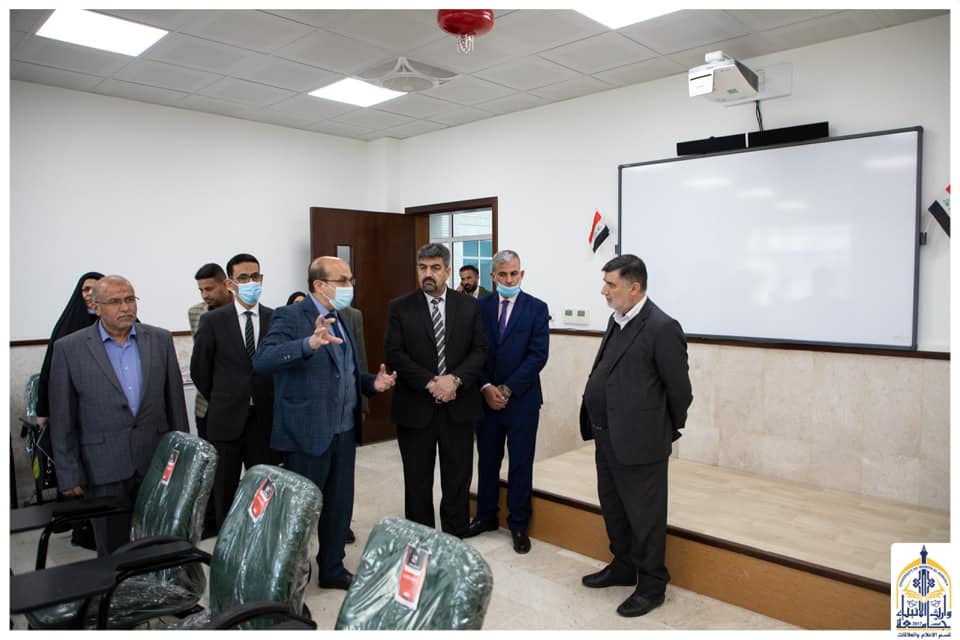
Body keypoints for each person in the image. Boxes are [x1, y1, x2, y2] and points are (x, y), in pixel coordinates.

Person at [253, 256, 396, 590]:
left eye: (350, 280)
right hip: (306, 433)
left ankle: (332, 568)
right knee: (300, 512)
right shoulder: (289, 316)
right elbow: (264, 360)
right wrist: (307, 344)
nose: (349, 286)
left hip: (343, 432)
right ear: (319, 284)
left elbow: (345, 371)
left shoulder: (343, 317)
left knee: (339, 506)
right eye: (342, 280)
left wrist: (371, 383)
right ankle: (289, 578)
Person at [579, 254, 693, 618]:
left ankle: (652, 584)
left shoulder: (662, 327)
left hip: (642, 443)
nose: (604, 290)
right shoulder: (617, 319)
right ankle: (624, 566)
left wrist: (661, 431)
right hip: (606, 437)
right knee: (614, 508)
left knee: (645, 517)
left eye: (610, 284)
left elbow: (680, 391)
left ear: (634, 287)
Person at [49, 275, 189, 556]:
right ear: (95, 306)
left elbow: (175, 404)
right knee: (114, 550)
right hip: (102, 467)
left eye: (129, 299)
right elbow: (62, 418)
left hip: (155, 462)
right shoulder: (69, 348)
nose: (125, 307)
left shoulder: (159, 340)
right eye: (115, 301)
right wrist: (69, 473)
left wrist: (182, 460)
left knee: (160, 544)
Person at [384, 243, 487, 537]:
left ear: (447, 270)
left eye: (435, 268)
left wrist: (454, 380)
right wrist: (432, 382)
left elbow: (480, 350)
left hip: (459, 407)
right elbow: (394, 354)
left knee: (457, 478)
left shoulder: (469, 306)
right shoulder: (400, 307)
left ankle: (455, 534)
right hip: (415, 408)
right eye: (422, 268)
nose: (428, 274)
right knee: (417, 480)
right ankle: (422, 539)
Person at [463, 250, 549, 554]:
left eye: (514, 274)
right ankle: (486, 516)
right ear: (493, 276)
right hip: (486, 400)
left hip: (522, 401)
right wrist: (486, 386)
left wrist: (508, 388)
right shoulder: (479, 307)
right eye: (503, 274)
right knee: (487, 460)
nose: (509, 279)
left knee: (521, 463)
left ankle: (519, 524)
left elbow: (538, 355)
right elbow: (472, 351)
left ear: (521, 274)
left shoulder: (537, 308)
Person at [190, 254, 275, 529]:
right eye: (243, 277)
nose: (251, 282)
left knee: (264, 488)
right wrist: (224, 398)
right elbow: (200, 370)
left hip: (264, 420)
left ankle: (260, 539)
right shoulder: (213, 321)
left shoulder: (274, 318)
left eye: (255, 276)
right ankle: (228, 541)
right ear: (230, 283)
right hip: (225, 420)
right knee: (224, 490)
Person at [34, 271, 103, 549]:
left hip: (104, 414)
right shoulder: (68, 325)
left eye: (95, 289)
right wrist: (43, 409)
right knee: (78, 470)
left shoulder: (120, 323)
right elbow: (49, 370)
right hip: (74, 413)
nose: (90, 294)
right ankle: (81, 527)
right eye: (85, 289)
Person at [187, 263, 233, 537]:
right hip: (208, 405)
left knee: (231, 468)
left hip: (238, 404)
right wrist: (214, 396)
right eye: (201, 290)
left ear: (225, 284)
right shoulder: (196, 313)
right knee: (212, 467)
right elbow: (200, 362)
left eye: (210, 288)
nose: (205, 295)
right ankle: (212, 520)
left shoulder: (242, 312)